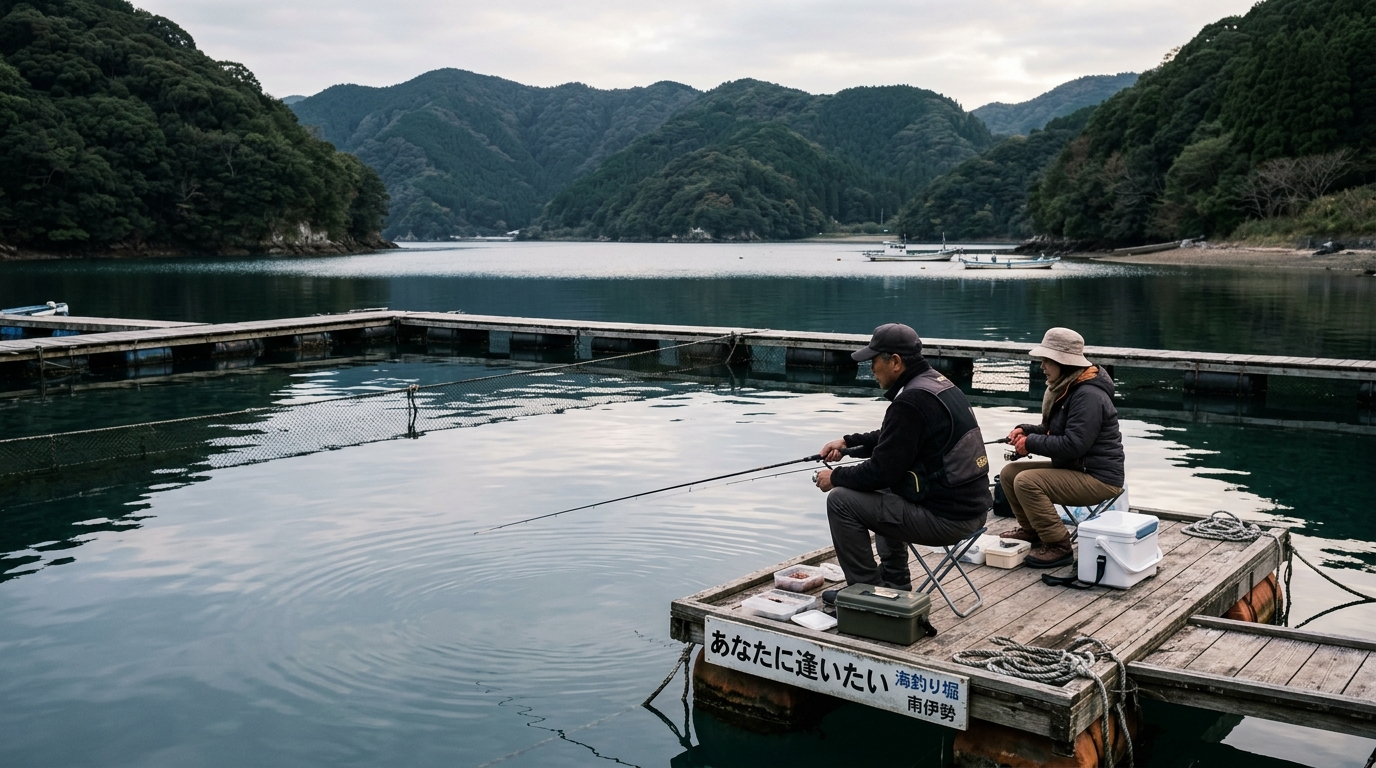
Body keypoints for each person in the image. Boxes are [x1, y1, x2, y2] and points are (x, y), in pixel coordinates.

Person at [814, 323, 992, 591]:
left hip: (949, 520)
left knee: (841, 501)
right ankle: (894, 582)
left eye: (874, 361)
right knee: (888, 488)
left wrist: (835, 477)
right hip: (973, 510)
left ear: (895, 362)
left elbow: (880, 471)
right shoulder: (938, 385)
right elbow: (896, 439)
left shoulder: (910, 402)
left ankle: (866, 594)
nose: (871, 369)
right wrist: (848, 443)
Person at [1000, 327, 1125, 568]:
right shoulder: (1068, 388)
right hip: (1077, 468)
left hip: (1099, 478)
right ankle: (1033, 531)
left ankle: (1059, 545)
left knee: (1027, 481)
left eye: (1047, 361)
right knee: (1009, 474)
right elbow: (1053, 431)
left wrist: (1030, 443)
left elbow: (1073, 445)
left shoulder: (1087, 395)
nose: (1042, 366)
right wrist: (1025, 431)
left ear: (1063, 363)